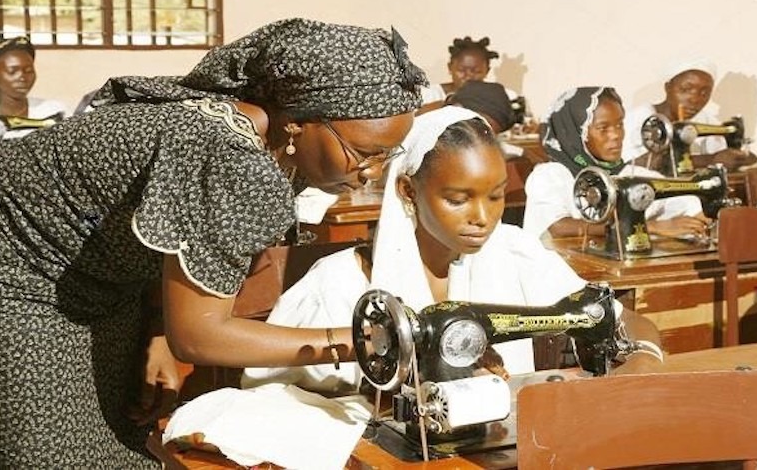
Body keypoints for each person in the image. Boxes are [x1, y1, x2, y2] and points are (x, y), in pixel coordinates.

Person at [0, 18, 426, 468]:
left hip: (95, 268)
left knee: (118, 434)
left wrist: (153, 328)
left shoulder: (272, 147)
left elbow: (171, 242)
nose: (372, 171)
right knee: (46, 450)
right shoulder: (232, 157)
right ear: (299, 121)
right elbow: (199, 336)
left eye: (389, 154)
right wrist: (361, 343)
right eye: (364, 152)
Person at [242, 106, 663, 394]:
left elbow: (622, 320)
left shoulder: (516, 253)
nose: (483, 217)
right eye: (459, 200)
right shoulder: (339, 284)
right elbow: (267, 393)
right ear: (409, 191)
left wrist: (642, 362)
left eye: (496, 196)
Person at [523, 86, 710, 240]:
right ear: (574, 134)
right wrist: (649, 227)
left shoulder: (630, 173)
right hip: (554, 274)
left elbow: (685, 203)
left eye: (619, 125)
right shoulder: (551, 175)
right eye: (603, 128)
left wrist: (698, 220)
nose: (616, 135)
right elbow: (559, 227)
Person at [621, 58, 757, 172]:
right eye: (686, 89)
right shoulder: (635, 120)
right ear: (667, 87)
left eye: (704, 93)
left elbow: (723, 162)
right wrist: (709, 160)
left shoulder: (707, 121)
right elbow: (630, 168)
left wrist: (740, 157)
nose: (695, 99)